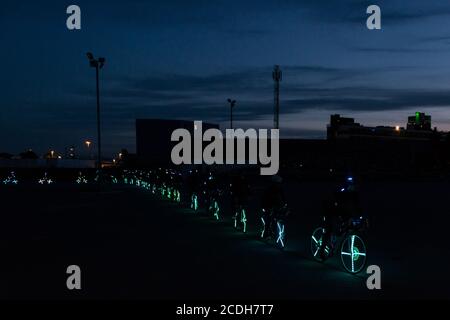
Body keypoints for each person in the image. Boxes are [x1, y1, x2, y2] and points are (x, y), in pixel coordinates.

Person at [319, 176, 363, 259]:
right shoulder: (341, 193)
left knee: (346, 228)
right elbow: (336, 206)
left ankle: (336, 240)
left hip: (343, 214)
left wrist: (360, 217)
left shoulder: (355, 195)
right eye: (351, 185)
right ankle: (322, 250)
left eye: (353, 185)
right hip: (331, 211)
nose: (352, 187)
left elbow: (357, 207)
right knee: (329, 229)